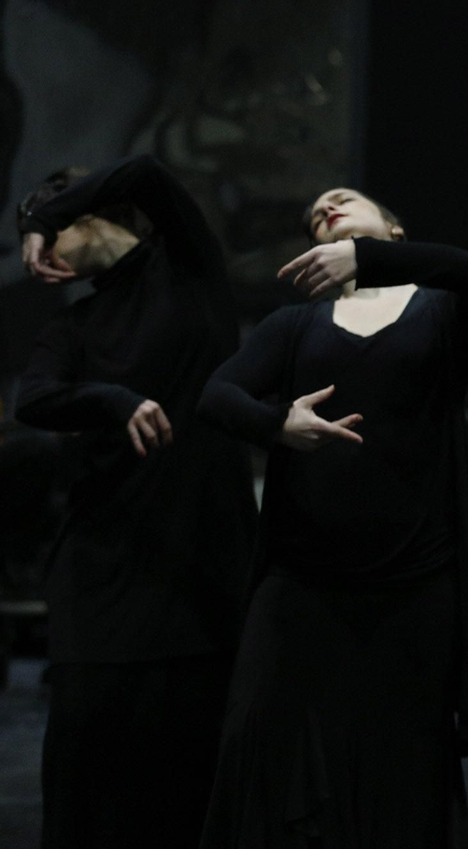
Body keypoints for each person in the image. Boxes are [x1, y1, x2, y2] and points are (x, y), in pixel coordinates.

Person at [196, 188, 468, 847]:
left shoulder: (442, 313)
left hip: (412, 585)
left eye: (344, 200)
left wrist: (367, 259)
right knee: (259, 745)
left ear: (392, 227)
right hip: (302, 581)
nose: (325, 204)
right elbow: (216, 395)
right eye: (315, 217)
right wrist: (277, 422)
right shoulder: (295, 325)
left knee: (400, 770)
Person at [14, 154, 256, 848]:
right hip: (104, 569)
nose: (37, 257)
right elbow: (32, 398)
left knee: (188, 778)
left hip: (199, 565)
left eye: (51, 233)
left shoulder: (186, 268)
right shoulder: (74, 327)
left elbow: (147, 174)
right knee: (86, 777)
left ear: (84, 216)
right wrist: (112, 399)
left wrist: (40, 213)